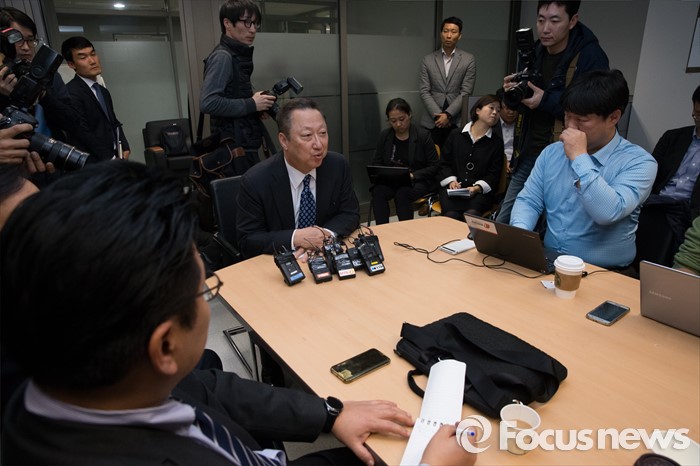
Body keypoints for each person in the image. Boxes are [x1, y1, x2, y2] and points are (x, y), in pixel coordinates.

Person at [0, 160, 475, 466]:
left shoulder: (99, 380)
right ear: (165, 345)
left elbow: (207, 387)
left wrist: (330, 413)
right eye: (202, 290)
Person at [511, 69, 657, 269]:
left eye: (581, 120)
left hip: (605, 271)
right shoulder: (552, 152)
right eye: (567, 116)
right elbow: (529, 200)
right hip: (551, 261)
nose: (570, 127)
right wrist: (520, 237)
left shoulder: (639, 162)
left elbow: (607, 213)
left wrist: (580, 158)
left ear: (614, 117)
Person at [496, 0, 609, 224]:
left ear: (572, 21)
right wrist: (512, 94)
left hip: (566, 154)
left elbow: (591, 109)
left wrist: (545, 100)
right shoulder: (534, 52)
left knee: (555, 224)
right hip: (530, 151)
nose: (545, 28)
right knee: (505, 220)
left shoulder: (590, 56)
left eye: (555, 21)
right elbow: (525, 102)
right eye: (541, 20)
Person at [236, 98, 359, 260]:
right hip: (278, 263)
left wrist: (323, 235)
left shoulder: (337, 165)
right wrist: (296, 238)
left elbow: (350, 213)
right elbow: (248, 240)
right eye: (307, 135)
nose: (319, 144)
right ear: (284, 141)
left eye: (323, 133)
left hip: (323, 258)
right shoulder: (256, 180)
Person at [0, 7, 95, 175]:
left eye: (30, 40)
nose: (26, 47)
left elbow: (73, 122)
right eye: (17, 40)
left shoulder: (49, 76)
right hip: (13, 174)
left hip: (54, 166)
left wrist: (41, 94)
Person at [200, 0, 275, 173]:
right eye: (246, 22)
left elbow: (232, 95)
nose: (253, 29)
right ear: (227, 23)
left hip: (242, 145)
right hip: (233, 151)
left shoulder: (236, 55)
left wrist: (255, 107)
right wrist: (251, 104)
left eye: (255, 23)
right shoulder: (223, 57)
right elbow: (208, 103)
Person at [643, 85, 700, 250]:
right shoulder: (672, 137)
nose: (698, 119)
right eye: (697, 114)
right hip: (657, 202)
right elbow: (649, 173)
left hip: (689, 212)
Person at [370, 98, 439, 224]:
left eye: (402, 119)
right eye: (393, 121)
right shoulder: (385, 136)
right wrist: (384, 173)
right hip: (392, 179)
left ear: (409, 115)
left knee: (402, 193)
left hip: (417, 180)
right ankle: (381, 230)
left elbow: (435, 166)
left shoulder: (423, 136)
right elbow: (377, 162)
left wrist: (413, 175)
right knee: (378, 191)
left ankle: (406, 230)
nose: (398, 124)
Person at [61, 36, 130, 161]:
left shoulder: (103, 91)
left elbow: (113, 122)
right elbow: (83, 133)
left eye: (93, 54)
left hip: (115, 155)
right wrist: (110, 159)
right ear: (71, 64)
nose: (92, 61)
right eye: (83, 57)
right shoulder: (70, 92)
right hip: (95, 161)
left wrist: (124, 146)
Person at [437, 94, 504, 220]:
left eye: (498, 110)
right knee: (451, 215)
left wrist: (477, 188)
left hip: (479, 193)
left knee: (471, 215)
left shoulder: (496, 142)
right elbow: (444, 163)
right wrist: (451, 181)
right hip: (453, 189)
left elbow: (494, 174)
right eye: (491, 108)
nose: (495, 112)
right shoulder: (456, 134)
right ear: (478, 110)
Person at [419, 16, 476, 149]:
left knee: (454, 156)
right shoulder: (428, 60)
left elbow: (466, 91)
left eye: (453, 32)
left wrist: (448, 115)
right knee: (430, 156)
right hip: (432, 120)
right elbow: (424, 91)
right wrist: (439, 116)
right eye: (445, 31)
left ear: (459, 36)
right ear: (441, 34)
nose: (449, 35)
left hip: (456, 120)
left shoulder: (468, 59)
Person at [494, 87, 520, 176]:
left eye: (514, 108)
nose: (511, 112)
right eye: (507, 108)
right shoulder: (491, 123)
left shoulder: (524, 124)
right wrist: (503, 162)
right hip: (496, 166)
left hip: (518, 167)